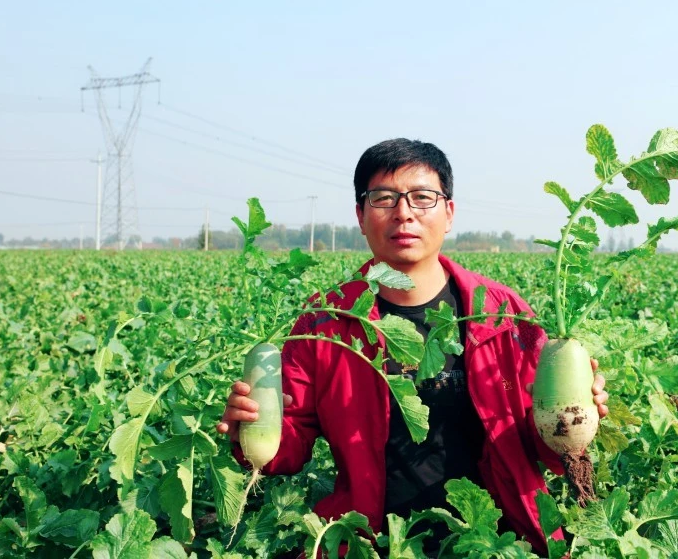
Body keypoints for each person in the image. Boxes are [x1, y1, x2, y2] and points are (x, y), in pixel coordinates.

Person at [217, 138, 609, 554]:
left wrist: (570, 423)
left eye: (422, 198)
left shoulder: (505, 316)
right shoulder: (324, 324)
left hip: (497, 541)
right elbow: (291, 445)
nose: (404, 213)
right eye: (384, 198)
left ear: (449, 213)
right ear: (361, 216)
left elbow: (538, 444)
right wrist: (251, 430)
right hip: (370, 541)